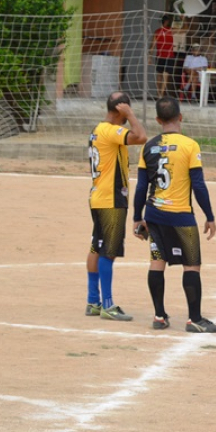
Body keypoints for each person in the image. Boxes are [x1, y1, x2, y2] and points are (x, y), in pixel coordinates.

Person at [132, 97, 216, 333]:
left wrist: (136, 218)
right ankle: (194, 319)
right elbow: (199, 186)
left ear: (158, 120)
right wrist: (210, 216)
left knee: (156, 262)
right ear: (180, 117)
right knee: (191, 266)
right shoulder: (189, 145)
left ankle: (159, 316)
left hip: (153, 215)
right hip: (181, 216)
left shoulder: (148, 146)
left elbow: (141, 187)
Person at [85, 92, 147, 321]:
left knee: (96, 248)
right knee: (108, 252)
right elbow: (141, 136)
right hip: (110, 199)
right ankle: (107, 305)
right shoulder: (111, 131)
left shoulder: (98, 129)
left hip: (99, 197)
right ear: (120, 110)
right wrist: (130, 114)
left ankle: (93, 301)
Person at [151, 15, 175, 98]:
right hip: (168, 56)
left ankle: (159, 93)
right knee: (165, 75)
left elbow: (152, 46)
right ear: (167, 22)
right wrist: (184, 19)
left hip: (160, 56)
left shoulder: (157, 32)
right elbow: (186, 29)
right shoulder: (171, 31)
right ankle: (161, 93)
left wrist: (149, 57)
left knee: (160, 75)